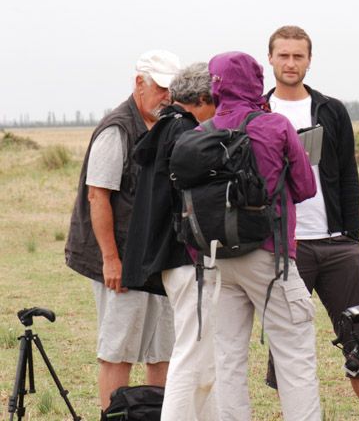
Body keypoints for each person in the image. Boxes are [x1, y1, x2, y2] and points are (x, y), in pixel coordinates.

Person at [263, 25, 359, 420]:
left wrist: (351, 235)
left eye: (298, 56)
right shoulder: (258, 113)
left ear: (309, 60)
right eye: (283, 55)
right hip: (285, 248)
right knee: (285, 348)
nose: (290, 63)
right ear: (270, 59)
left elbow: (349, 174)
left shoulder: (331, 110)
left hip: (336, 244)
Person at [206, 51, 320, 421]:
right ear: (255, 80)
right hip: (269, 254)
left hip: (215, 257)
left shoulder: (200, 133)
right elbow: (304, 188)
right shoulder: (275, 125)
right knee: (294, 355)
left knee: (227, 358)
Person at [65, 50, 181, 410]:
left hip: (156, 259)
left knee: (163, 349)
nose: (167, 97)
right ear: (139, 83)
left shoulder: (166, 127)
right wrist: (111, 259)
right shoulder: (117, 130)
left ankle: (155, 417)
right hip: (122, 260)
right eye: (161, 88)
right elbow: (98, 197)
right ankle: (113, 417)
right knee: (119, 351)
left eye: (172, 90)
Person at [121, 62, 217, 421]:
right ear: (204, 98)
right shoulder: (185, 132)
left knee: (203, 357)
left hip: (170, 258)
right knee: (192, 355)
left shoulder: (164, 127)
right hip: (186, 255)